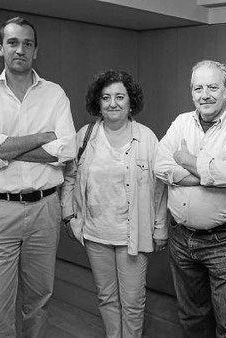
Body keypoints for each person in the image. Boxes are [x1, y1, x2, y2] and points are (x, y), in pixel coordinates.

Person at [0, 17, 76, 337]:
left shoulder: (54, 94)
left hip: (44, 210)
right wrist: (42, 136)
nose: (20, 49)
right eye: (12, 42)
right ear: (0, 48)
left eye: (27, 44)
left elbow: (66, 151)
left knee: (40, 297)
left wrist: (2, 144)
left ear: (36, 51)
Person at [155, 60, 226, 338]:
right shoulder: (181, 123)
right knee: (191, 315)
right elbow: (160, 165)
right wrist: (206, 174)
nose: (205, 94)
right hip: (181, 236)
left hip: (224, 240)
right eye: (198, 88)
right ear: (191, 93)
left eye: (213, 87)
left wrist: (186, 159)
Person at [60, 70, 167, 338]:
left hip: (133, 234)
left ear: (131, 102)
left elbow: (160, 189)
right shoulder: (86, 136)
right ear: (98, 102)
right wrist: (69, 217)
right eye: (106, 97)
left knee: (132, 303)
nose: (113, 103)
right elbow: (69, 178)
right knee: (106, 297)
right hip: (96, 233)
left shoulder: (146, 137)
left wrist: (160, 227)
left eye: (120, 96)